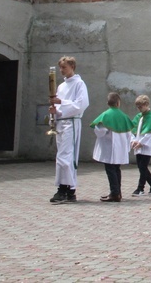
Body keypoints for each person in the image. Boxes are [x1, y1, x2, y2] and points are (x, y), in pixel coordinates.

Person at [48, 56, 90, 204]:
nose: (61, 70)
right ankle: (69, 190)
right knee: (62, 156)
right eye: (60, 67)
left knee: (65, 156)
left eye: (64, 67)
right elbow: (60, 106)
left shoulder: (79, 84)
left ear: (72, 66)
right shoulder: (61, 86)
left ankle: (64, 189)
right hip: (61, 123)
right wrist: (54, 110)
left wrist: (61, 103)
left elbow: (82, 104)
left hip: (71, 123)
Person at [90, 92, 133, 202]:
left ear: (108, 103)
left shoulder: (105, 115)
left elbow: (100, 132)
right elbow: (129, 133)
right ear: (118, 103)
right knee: (117, 169)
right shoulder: (124, 116)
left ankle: (114, 193)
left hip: (109, 147)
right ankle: (118, 192)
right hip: (120, 147)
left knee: (110, 170)